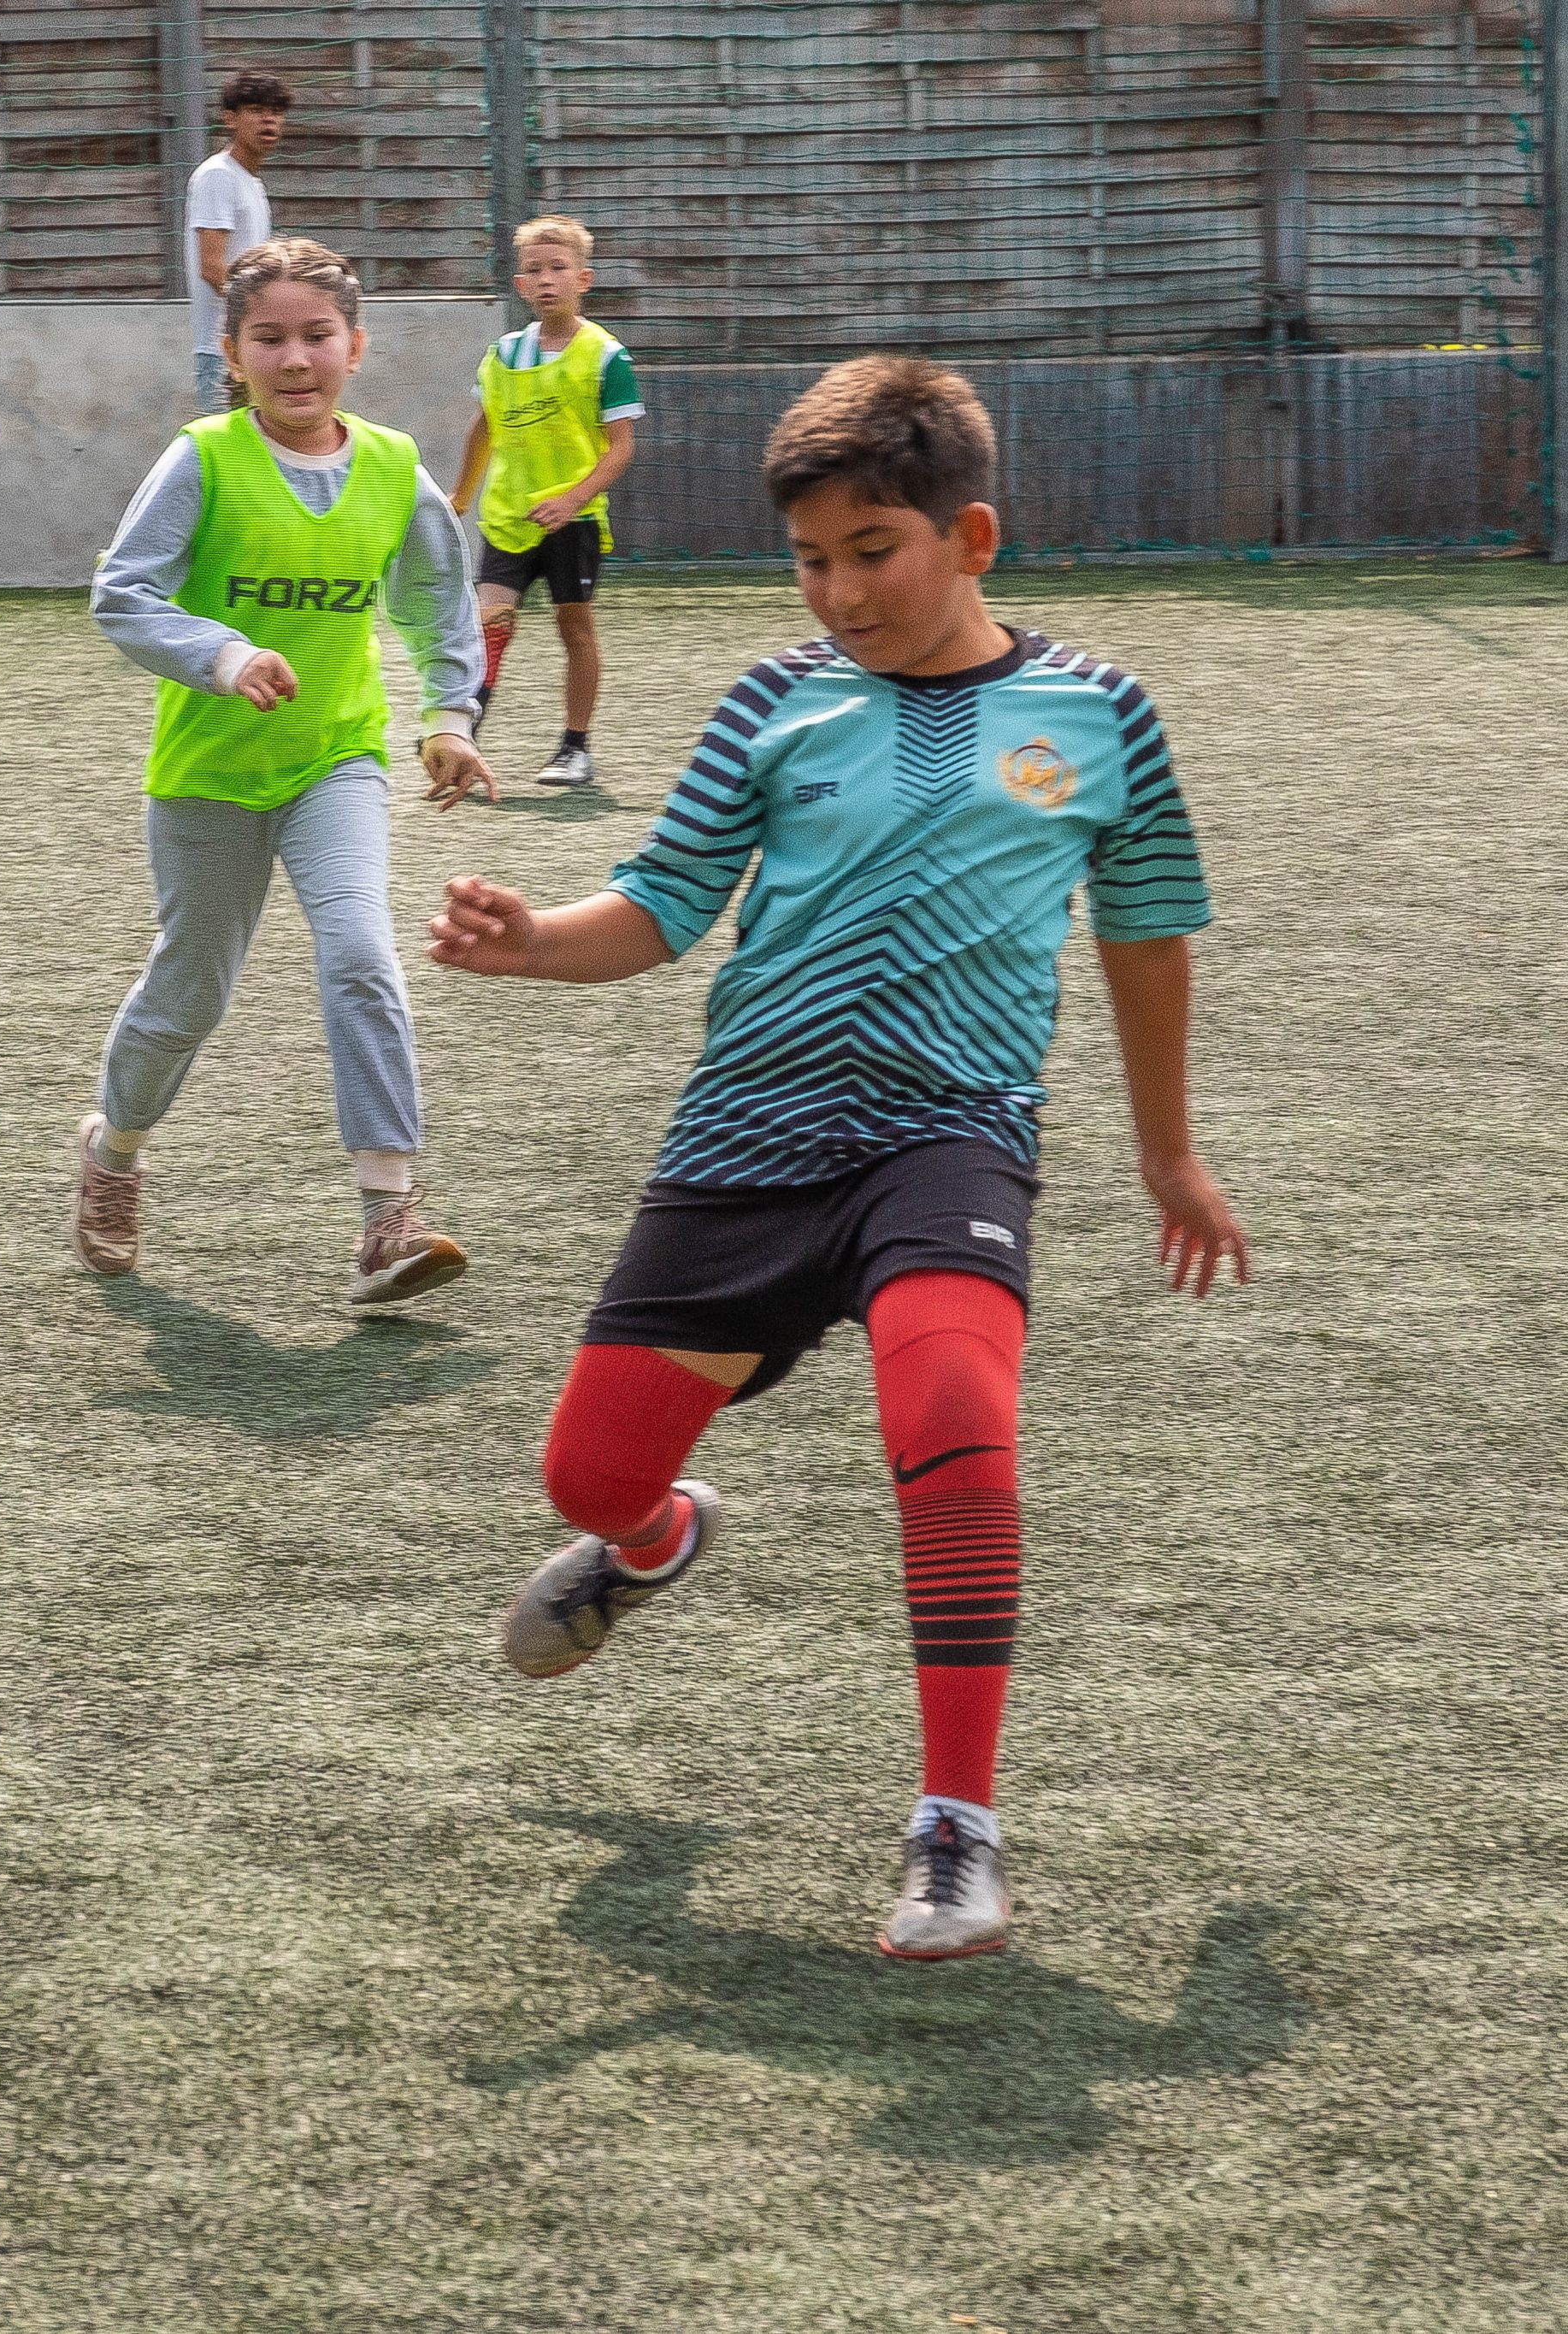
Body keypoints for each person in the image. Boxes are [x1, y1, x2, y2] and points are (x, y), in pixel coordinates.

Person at [428, 355, 1247, 1960]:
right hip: (746, 1140)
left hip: (950, 1142)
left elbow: (1149, 935)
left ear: (973, 535)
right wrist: (536, 942)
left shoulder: (1098, 713)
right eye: (811, 559)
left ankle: (957, 1829)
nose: (840, 589)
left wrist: (1170, 1158)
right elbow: (662, 910)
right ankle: (656, 1543)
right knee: (587, 1479)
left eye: (875, 549)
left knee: (954, 1416)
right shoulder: (771, 700)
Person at [79, 237, 496, 1307]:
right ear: (232, 352)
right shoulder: (204, 458)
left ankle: (386, 1218)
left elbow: (434, 605)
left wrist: (447, 717)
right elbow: (123, 594)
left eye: (317, 335)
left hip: (335, 757)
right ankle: (113, 1155)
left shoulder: (397, 468)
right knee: (189, 992)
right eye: (269, 337)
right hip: (207, 772)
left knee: (361, 951)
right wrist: (221, 656)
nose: (295, 358)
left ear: (356, 346)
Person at [450, 215, 640, 790]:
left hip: (573, 522)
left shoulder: (607, 357)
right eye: (535, 270)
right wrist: (461, 494)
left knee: (574, 628)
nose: (547, 279)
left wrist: (573, 498)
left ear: (584, 278)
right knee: (487, 624)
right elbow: (483, 428)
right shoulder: (503, 355)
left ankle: (574, 749)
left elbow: (621, 449)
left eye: (558, 268)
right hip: (508, 517)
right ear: (520, 284)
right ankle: (464, 735)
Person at [186, 71, 288, 414]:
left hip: (253, 349)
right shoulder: (218, 176)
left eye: (276, 111)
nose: (269, 119)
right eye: (257, 110)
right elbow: (212, 268)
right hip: (224, 353)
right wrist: (269, 313)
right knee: (225, 460)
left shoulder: (251, 183)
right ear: (230, 118)